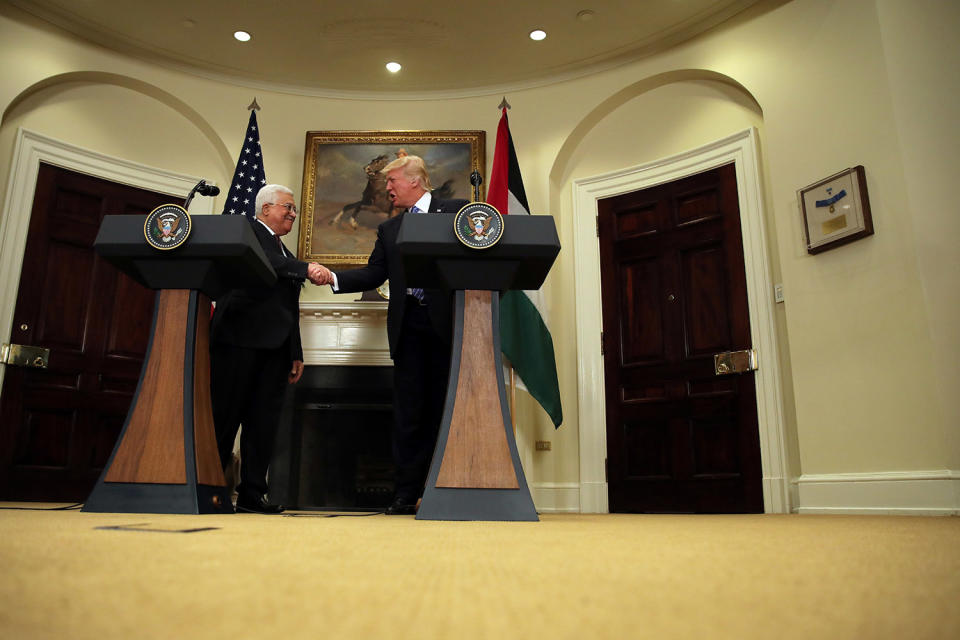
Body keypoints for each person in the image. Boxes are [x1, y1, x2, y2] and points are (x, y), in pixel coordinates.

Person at [312, 155, 468, 515]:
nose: (388, 188)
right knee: (409, 414)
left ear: (415, 180)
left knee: (448, 411)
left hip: (452, 326)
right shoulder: (390, 230)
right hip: (409, 328)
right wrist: (332, 277)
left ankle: (447, 489)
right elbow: (373, 274)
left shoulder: (457, 211)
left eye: (393, 181)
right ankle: (405, 493)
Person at [210, 184, 327, 514]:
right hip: (238, 342)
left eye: (294, 209)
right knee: (225, 418)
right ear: (265, 210)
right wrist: (306, 268)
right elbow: (265, 262)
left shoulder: (283, 251)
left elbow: (288, 307)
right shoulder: (246, 231)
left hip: (275, 349)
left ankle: (251, 495)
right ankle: (211, 490)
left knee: (263, 425)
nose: (292, 213)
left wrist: (296, 352)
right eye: (287, 207)